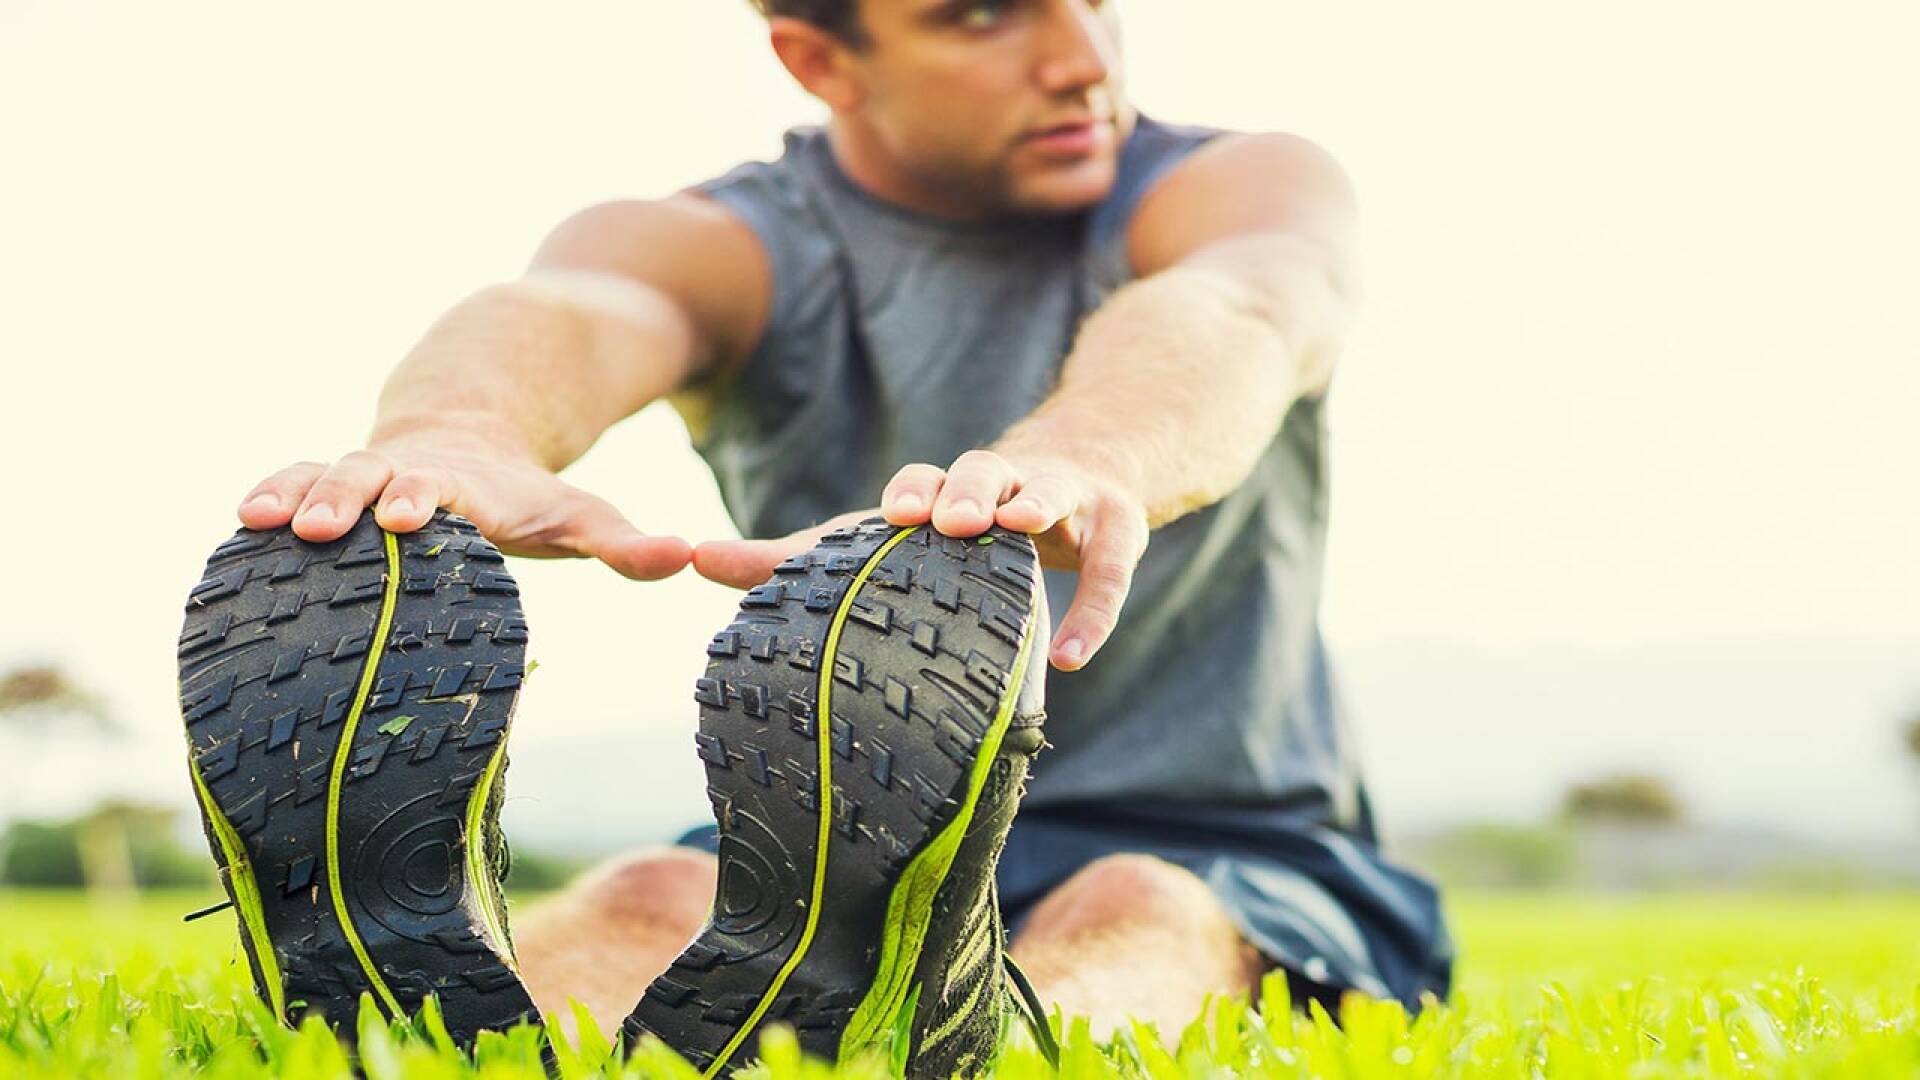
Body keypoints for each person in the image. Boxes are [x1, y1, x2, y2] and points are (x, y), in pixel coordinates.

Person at [227, 0, 1451, 1062]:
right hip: (825, 846)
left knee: (1142, 907)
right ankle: (431, 1036)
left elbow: (1237, 307)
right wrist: (456, 432)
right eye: (983, 11)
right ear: (819, 60)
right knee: (660, 889)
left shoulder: (1243, 184)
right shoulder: (734, 242)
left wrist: (1083, 459)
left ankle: (986, 1043)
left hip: (1229, 843)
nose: (1084, 59)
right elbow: (574, 308)